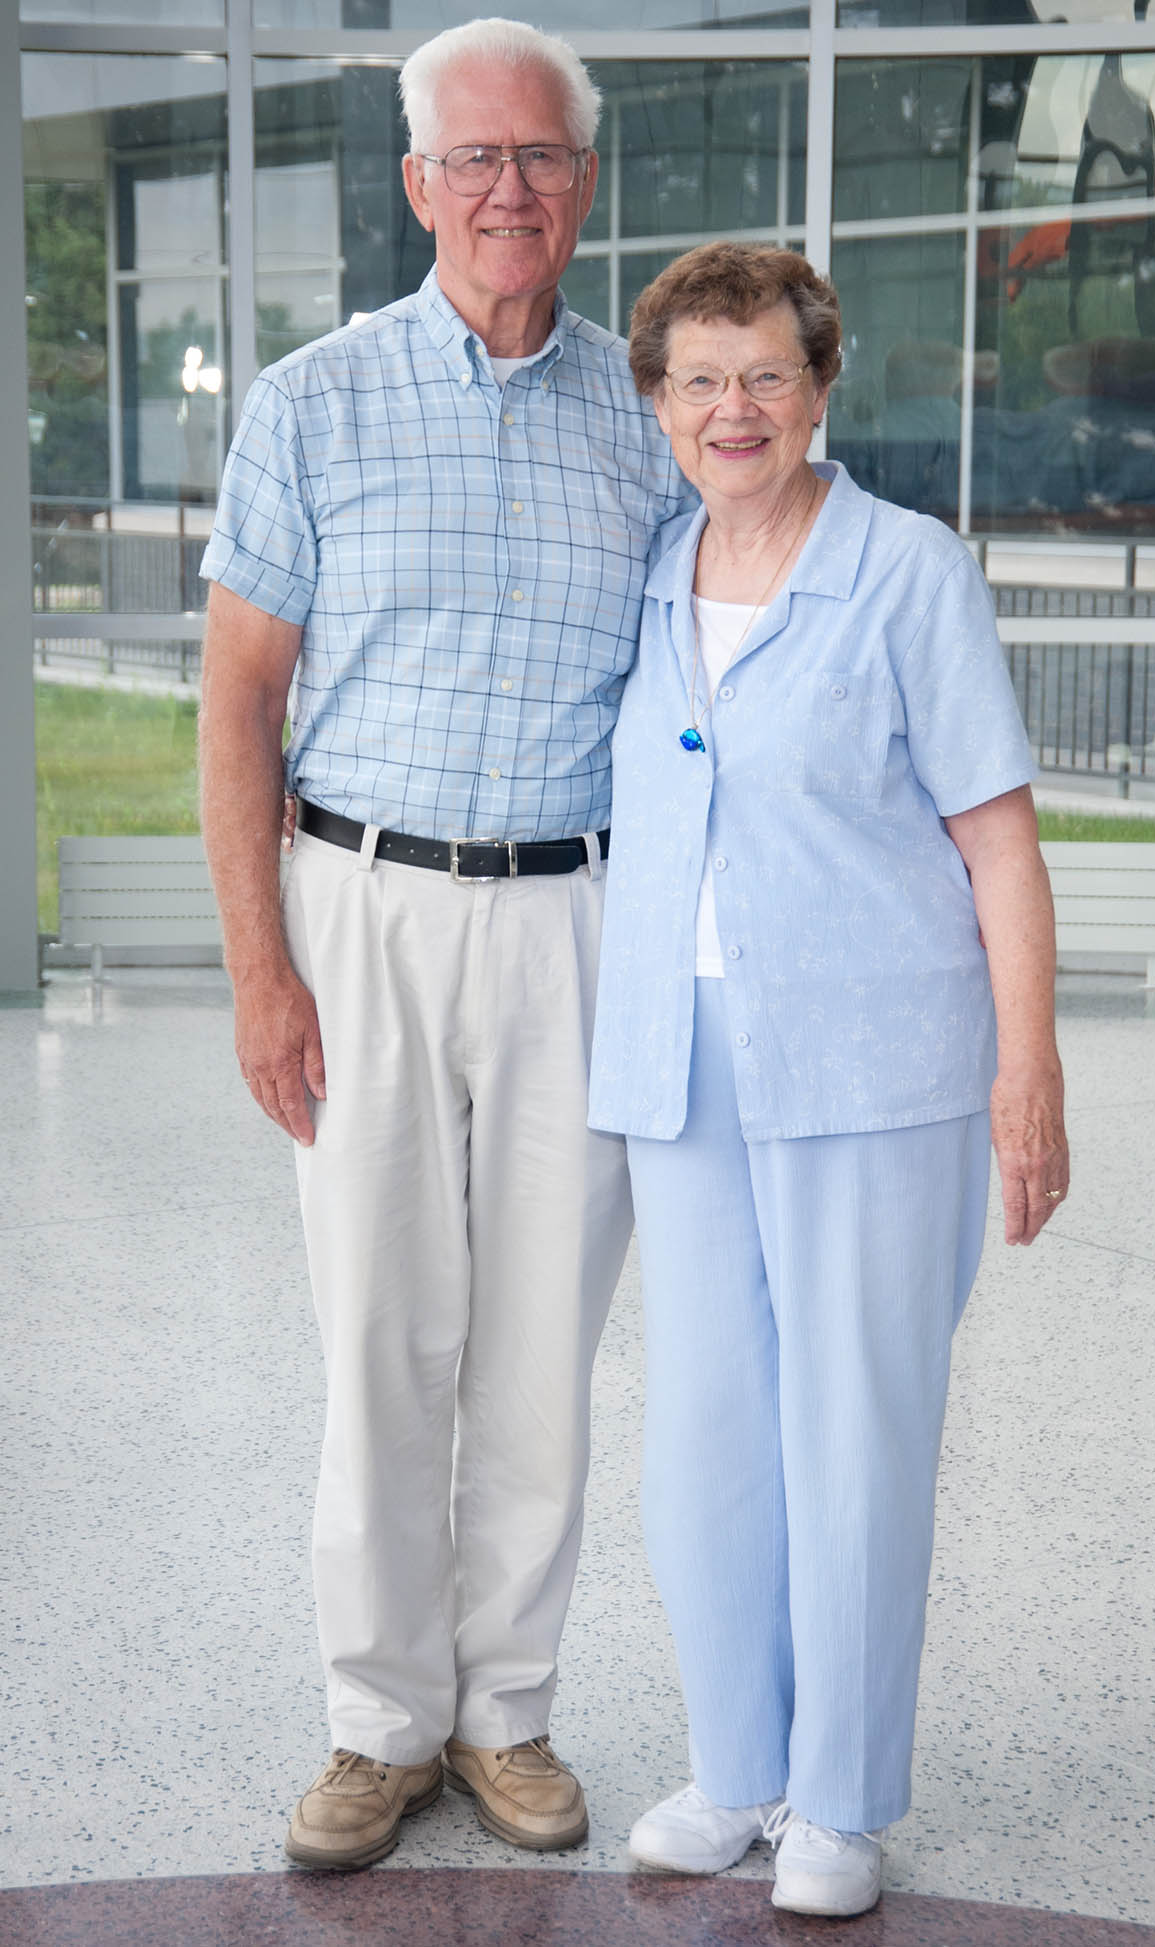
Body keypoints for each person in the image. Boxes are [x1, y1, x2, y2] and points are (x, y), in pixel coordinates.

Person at [198, 18, 686, 1871]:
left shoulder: (647, 416)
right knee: (381, 1337)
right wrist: (264, 971)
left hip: (577, 918)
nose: (508, 188)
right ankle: (379, 1722)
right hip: (366, 910)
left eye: (540, 156)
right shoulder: (310, 402)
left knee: (541, 1346)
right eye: (473, 158)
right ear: (417, 184)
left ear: (585, 184)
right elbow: (238, 703)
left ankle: (507, 1713)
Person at [587, 241, 1069, 1919]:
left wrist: (1030, 1071)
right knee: (708, 1434)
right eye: (699, 381)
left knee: (855, 1431)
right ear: (659, 405)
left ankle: (844, 1798)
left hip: (877, 1063)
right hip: (684, 1058)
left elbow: (998, 840)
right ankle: (738, 1769)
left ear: (818, 391)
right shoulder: (656, 572)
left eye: (765, 377)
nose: (732, 410)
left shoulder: (907, 570)